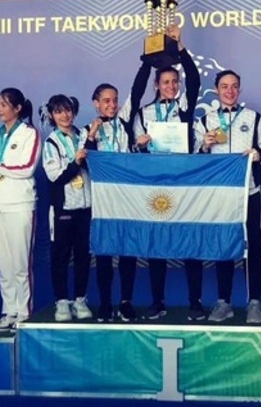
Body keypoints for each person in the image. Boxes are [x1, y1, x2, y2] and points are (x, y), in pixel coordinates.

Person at [132, 25, 204, 321]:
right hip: (156, 184)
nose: (172, 86)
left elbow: (196, 79)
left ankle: (195, 302)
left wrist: (181, 48)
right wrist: (140, 144)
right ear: (157, 85)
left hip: (184, 182)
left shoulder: (184, 107)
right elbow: (137, 149)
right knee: (157, 244)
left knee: (189, 243)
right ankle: (157, 301)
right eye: (166, 82)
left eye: (175, 81)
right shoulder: (145, 113)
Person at [194, 70, 261, 323]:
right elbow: (195, 161)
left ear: (240, 90)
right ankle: (224, 302)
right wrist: (204, 145)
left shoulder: (254, 118)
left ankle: (254, 303)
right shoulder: (204, 121)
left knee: (253, 248)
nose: (229, 91)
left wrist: (258, 155)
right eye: (224, 86)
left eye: (234, 86)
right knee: (223, 247)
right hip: (220, 195)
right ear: (216, 89)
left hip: (249, 193)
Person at [0, 88, 40, 331]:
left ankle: (23, 312)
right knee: (3, 265)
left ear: (17, 108)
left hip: (20, 205)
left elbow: (26, 168)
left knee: (20, 264)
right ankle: (9, 310)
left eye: (4, 105)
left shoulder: (29, 134)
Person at [84, 83, 139, 322]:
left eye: (115, 100)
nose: (112, 105)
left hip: (127, 196)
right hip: (103, 200)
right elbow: (85, 163)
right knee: (104, 252)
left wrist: (146, 60)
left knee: (129, 251)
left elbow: (136, 92)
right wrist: (92, 136)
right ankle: (105, 303)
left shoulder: (125, 124)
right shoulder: (88, 129)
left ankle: (126, 302)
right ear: (96, 103)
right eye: (106, 100)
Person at [41, 95, 93, 322]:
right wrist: (77, 162)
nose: (65, 115)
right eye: (59, 111)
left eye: (68, 110)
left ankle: (80, 299)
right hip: (63, 208)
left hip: (86, 206)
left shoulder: (84, 136)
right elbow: (56, 177)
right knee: (60, 256)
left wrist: (88, 154)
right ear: (52, 115)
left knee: (83, 255)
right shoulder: (51, 142)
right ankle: (62, 302)